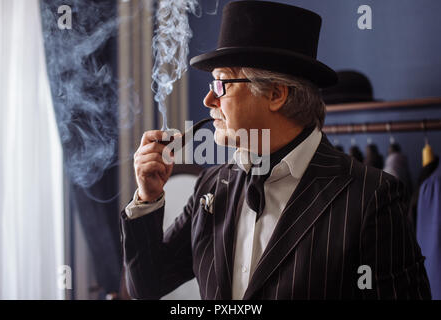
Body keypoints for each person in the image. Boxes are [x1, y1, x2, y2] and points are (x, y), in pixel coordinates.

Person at [120, 0, 431, 299]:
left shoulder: (371, 197)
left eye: (221, 84)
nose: (208, 101)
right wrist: (148, 197)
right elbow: (148, 284)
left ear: (276, 94)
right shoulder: (212, 186)